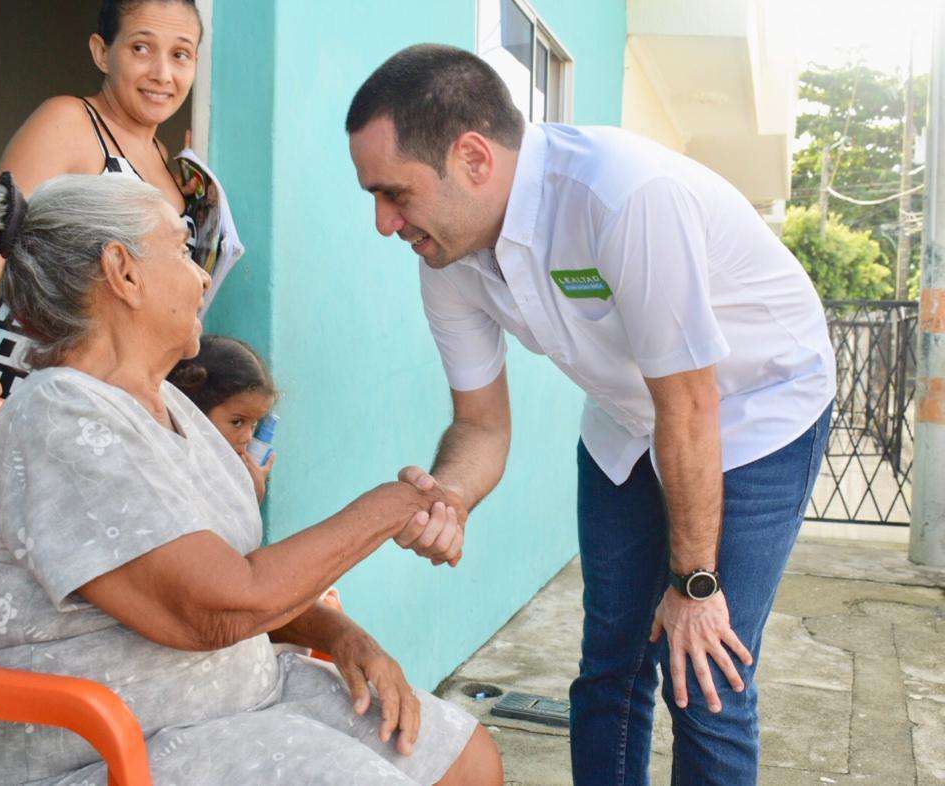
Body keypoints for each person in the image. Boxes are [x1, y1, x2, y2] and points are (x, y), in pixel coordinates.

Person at [345, 44, 835, 785]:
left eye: (395, 193)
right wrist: (449, 495)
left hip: (755, 408)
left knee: (703, 672)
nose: (384, 222)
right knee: (609, 664)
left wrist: (695, 587)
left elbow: (692, 404)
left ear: (474, 158)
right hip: (630, 419)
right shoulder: (446, 254)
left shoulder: (623, 195)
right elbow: (481, 425)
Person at [0, 173, 503, 786]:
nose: (203, 276)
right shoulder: (59, 417)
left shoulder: (168, 403)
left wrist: (337, 630)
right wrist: (395, 505)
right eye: (183, 251)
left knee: (466, 760)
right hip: (103, 748)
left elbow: (223, 589)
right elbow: (214, 607)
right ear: (124, 273)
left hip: (231, 703)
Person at [0, 0, 204, 424]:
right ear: (101, 52)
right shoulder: (71, 121)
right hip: (34, 377)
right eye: (141, 49)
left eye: (180, 54)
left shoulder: (168, 161)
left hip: (113, 402)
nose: (162, 74)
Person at [168, 334, 278, 503]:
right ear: (195, 411)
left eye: (254, 424)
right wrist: (247, 497)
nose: (248, 437)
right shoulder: (173, 467)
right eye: (237, 422)